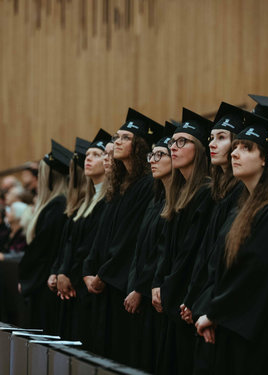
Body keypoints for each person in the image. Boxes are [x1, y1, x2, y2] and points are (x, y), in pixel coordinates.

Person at [195, 113, 268, 374]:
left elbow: (256, 273)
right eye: (235, 148)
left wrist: (215, 313)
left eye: (246, 148)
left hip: (262, 333)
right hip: (234, 326)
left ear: (267, 158)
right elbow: (217, 266)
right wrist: (211, 309)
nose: (235, 154)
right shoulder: (239, 210)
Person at [82, 108, 162, 364]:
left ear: (139, 146)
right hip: (105, 281)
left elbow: (129, 239)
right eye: (116, 137)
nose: (116, 141)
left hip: (122, 285)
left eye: (125, 138)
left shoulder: (146, 185)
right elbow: (102, 236)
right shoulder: (119, 185)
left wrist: (103, 274)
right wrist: (89, 269)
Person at [179, 102, 246, 374]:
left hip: (221, 308)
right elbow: (204, 255)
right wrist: (192, 298)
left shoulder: (241, 194)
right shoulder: (220, 193)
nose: (213, 144)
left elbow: (227, 260)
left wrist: (204, 302)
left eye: (221, 137)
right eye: (211, 138)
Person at [152, 108, 214, 375]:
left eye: (182, 142)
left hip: (186, 299)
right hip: (173, 295)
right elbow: (166, 248)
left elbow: (193, 252)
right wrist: (158, 283)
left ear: (199, 150)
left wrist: (176, 293)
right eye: (171, 143)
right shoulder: (178, 193)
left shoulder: (205, 192)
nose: (173, 148)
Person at [124, 122, 174, 371]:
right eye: (151, 155)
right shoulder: (157, 200)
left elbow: (161, 253)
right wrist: (134, 285)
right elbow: (138, 250)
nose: (153, 160)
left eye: (160, 155)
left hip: (154, 295)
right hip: (141, 292)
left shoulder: (174, 202)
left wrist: (141, 288)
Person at [55, 129, 110, 347]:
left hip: (85, 285)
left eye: (96, 155)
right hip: (71, 282)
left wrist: (71, 275)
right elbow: (70, 242)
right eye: (88, 155)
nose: (89, 159)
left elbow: (91, 245)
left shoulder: (107, 200)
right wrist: (60, 272)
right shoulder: (85, 201)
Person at [18, 139, 71, 334]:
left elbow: (42, 248)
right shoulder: (55, 204)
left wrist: (25, 278)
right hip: (43, 279)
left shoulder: (58, 205)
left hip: (45, 283)